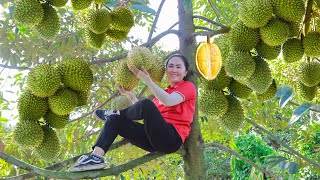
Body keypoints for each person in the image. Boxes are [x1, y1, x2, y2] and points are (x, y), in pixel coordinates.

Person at [67, 54, 196, 172]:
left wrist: (148, 80)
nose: (174, 70)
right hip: (153, 139)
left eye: (178, 67)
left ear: (185, 72)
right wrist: (130, 96)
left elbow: (168, 101)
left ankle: (117, 113)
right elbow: (144, 113)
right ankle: (96, 157)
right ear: (166, 70)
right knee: (114, 119)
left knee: (144, 104)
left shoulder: (188, 87)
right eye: (171, 66)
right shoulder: (162, 94)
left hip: (171, 139)